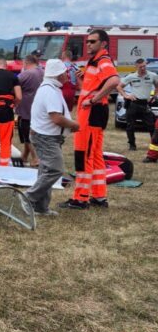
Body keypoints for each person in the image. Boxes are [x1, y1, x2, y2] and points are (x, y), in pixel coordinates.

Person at [59, 30, 121, 210]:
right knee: (94, 156)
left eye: (92, 41)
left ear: (103, 44)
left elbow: (114, 80)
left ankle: (81, 198)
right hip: (93, 114)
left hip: (92, 114)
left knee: (83, 154)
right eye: (87, 42)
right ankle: (99, 196)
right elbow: (93, 87)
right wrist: (82, 82)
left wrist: (93, 100)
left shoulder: (103, 61)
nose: (88, 45)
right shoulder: (93, 62)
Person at [24, 59, 80, 216]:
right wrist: (73, 125)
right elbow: (56, 117)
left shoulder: (50, 88)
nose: (67, 74)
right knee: (55, 170)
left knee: (46, 171)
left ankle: (41, 208)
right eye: (65, 72)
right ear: (59, 74)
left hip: (45, 136)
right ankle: (28, 197)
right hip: (46, 137)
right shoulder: (50, 91)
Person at [116, 58, 158, 150]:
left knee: (151, 125)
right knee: (130, 126)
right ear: (136, 67)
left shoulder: (152, 75)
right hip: (134, 104)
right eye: (140, 67)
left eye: (144, 66)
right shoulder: (131, 76)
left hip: (145, 104)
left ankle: (154, 145)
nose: (143, 68)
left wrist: (154, 96)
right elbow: (119, 87)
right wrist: (126, 95)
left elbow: (157, 86)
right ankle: (132, 145)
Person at [16, 54, 44, 166]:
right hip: (39, 108)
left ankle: (35, 158)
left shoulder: (26, 74)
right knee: (29, 132)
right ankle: (24, 156)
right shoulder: (43, 72)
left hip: (26, 108)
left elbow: (14, 85)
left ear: (26, 63)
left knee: (27, 134)